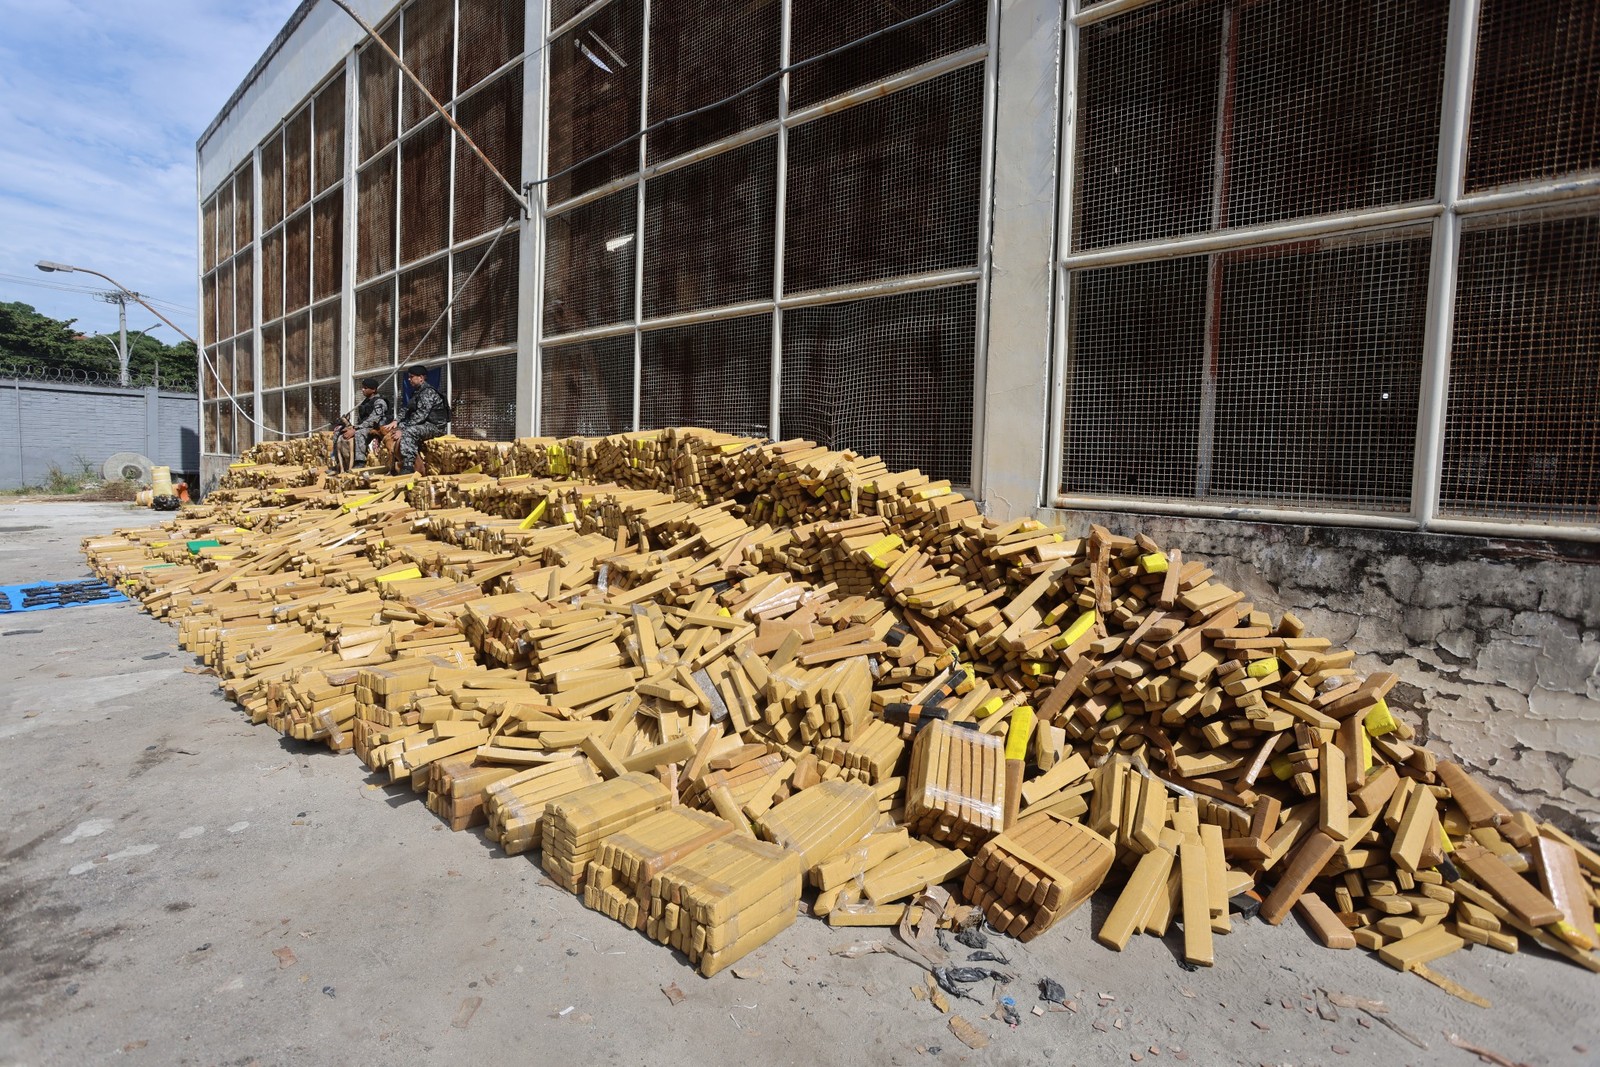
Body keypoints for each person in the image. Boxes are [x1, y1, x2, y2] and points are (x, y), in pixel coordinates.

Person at [383, 365, 449, 474]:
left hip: (435, 427)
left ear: (421, 378)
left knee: (408, 432)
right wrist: (396, 421)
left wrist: (403, 430)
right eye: (409, 377)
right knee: (396, 430)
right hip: (423, 424)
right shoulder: (417, 393)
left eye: (412, 377)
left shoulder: (428, 392)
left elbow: (420, 415)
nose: (409, 379)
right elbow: (406, 409)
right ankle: (394, 465)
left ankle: (408, 466)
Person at [332, 378, 391, 472]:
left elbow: (374, 419)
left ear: (373, 389)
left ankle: (360, 462)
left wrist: (355, 429)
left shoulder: (379, 402)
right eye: (362, 387)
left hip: (376, 429)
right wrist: (352, 427)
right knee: (338, 432)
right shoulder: (365, 402)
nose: (362, 390)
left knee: (359, 433)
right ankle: (339, 463)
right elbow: (361, 420)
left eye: (365, 388)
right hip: (363, 426)